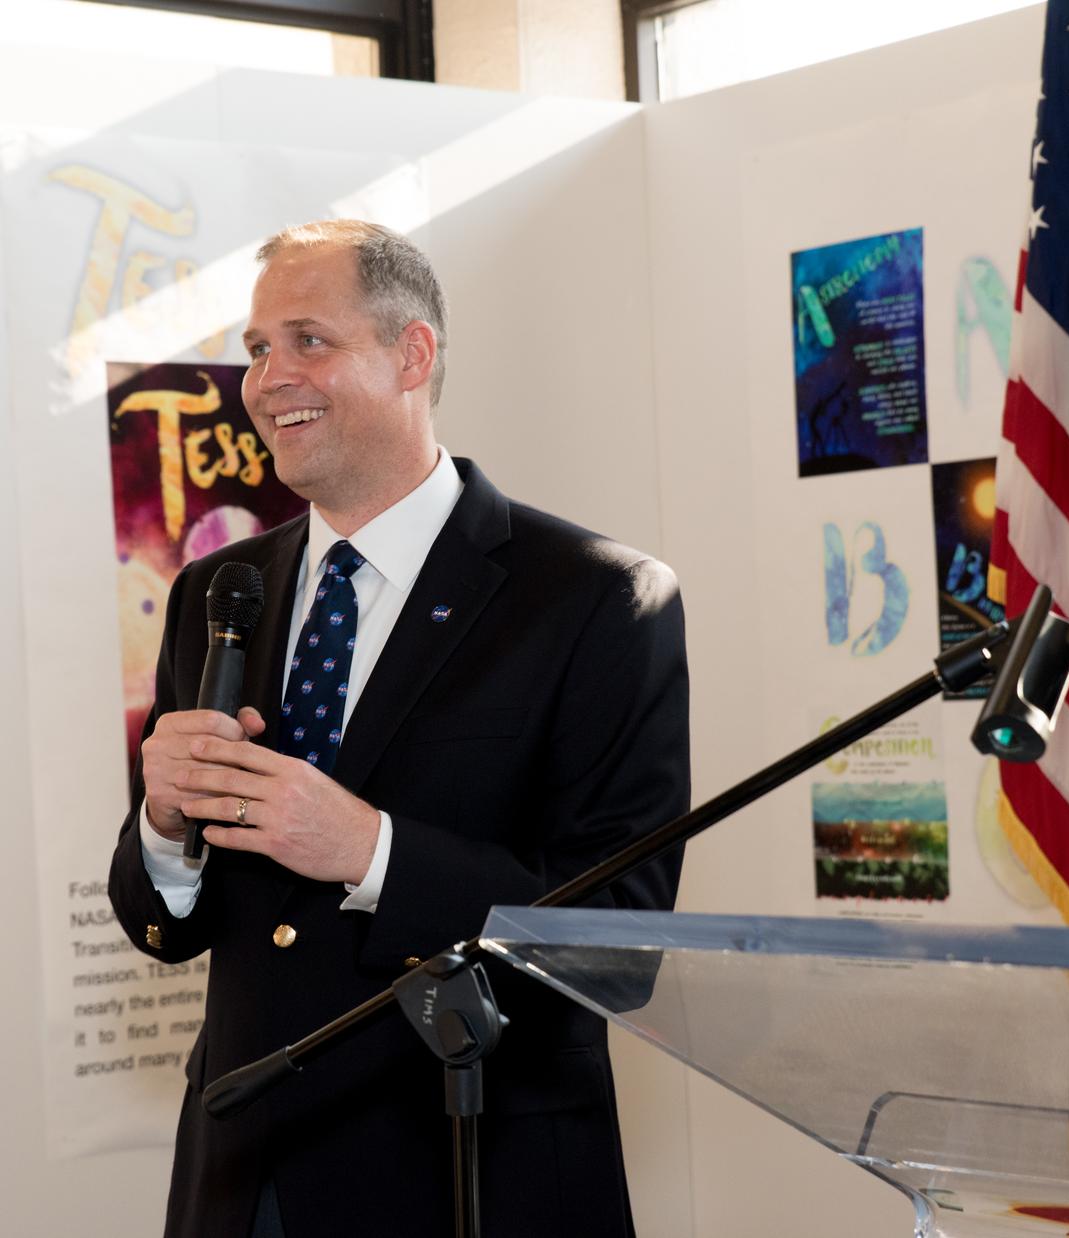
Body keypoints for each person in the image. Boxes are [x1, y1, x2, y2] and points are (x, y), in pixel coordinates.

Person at [108, 220, 690, 1238]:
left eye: (308, 340)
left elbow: (616, 945)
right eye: (255, 348)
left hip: (467, 1179)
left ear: (411, 353)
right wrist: (162, 823)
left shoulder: (596, 598)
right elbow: (167, 924)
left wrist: (370, 851)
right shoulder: (215, 590)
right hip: (242, 1184)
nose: (266, 377)